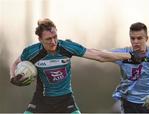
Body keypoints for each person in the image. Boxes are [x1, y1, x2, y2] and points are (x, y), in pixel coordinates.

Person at [9, 18, 140, 113]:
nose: (54, 41)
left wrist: (128, 56)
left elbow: (99, 55)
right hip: (41, 100)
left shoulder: (66, 47)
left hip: (65, 99)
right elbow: (15, 63)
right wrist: (13, 77)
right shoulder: (31, 52)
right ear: (40, 40)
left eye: (55, 36)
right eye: (48, 39)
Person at [111, 22, 149, 113]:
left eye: (139, 38)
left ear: (146, 38)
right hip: (129, 105)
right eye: (133, 38)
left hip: (148, 104)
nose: (135, 41)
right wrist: (83, 52)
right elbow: (100, 55)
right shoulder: (123, 53)